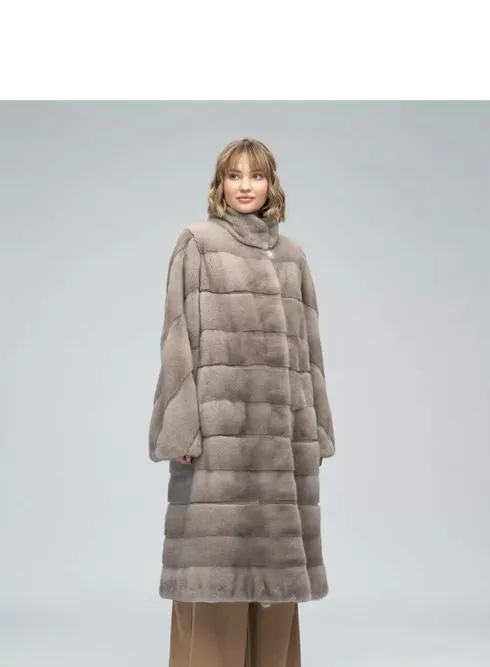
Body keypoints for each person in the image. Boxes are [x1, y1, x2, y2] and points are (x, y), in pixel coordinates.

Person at [148, 137, 336, 667]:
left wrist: (317, 430)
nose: (246, 186)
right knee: (215, 574)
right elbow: (178, 338)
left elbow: (309, 351)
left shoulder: (293, 256)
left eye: (256, 176)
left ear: (271, 183)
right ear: (220, 184)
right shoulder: (199, 243)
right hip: (218, 442)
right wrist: (180, 428)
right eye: (235, 175)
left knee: (275, 578)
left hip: (281, 446)